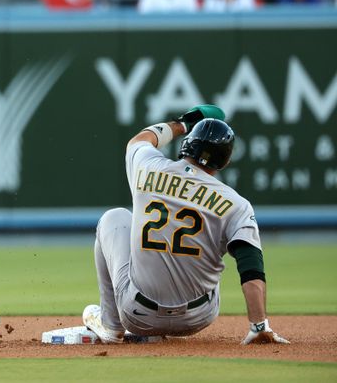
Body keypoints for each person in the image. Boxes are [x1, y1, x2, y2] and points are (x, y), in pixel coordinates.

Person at [82, 106, 290, 346]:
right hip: (199, 317)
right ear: (226, 159)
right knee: (216, 242)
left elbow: (140, 140)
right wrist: (259, 325)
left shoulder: (148, 167)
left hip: (137, 314)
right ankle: (255, 325)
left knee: (115, 217)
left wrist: (183, 123)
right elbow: (251, 268)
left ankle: (111, 326)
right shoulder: (236, 204)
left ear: (187, 145)